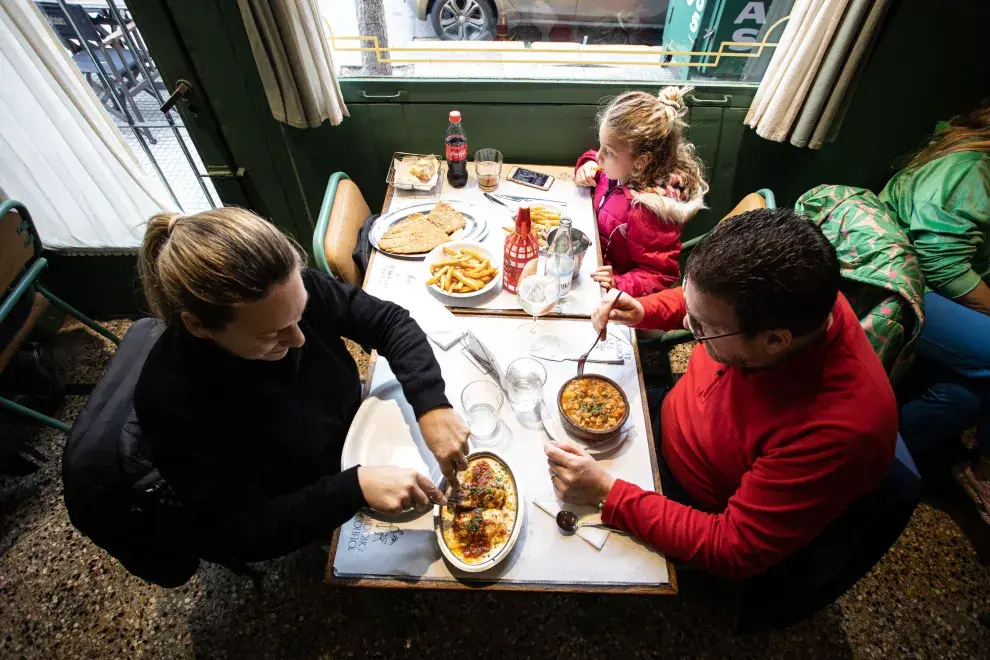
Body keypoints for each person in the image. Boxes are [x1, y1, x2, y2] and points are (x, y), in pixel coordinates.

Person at [547, 208, 915, 628]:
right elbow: (705, 304)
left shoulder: (841, 429)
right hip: (665, 421)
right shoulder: (789, 304)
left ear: (775, 341)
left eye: (700, 329)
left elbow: (733, 547)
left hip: (689, 502)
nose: (687, 327)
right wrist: (647, 310)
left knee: (563, 542)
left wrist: (610, 493)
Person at [129, 208, 467, 563]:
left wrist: (432, 405)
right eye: (271, 333)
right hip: (303, 495)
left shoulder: (284, 290)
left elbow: (389, 322)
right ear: (198, 327)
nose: (299, 338)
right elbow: (237, 533)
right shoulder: (169, 400)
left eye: (300, 313)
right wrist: (352, 489)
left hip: (360, 432)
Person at [879, 100, 990, 523]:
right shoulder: (970, 168)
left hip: (919, 280)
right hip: (899, 284)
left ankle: (868, 461)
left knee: (964, 400)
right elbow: (940, 262)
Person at [574, 87, 708, 297]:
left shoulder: (648, 211)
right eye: (601, 146)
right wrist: (587, 165)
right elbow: (596, 159)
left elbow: (658, 276)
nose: (599, 156)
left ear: (641, 162)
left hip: (621, 295)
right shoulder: (620, 169)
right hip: (598, 258)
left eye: (607, 151)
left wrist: (617, 283)